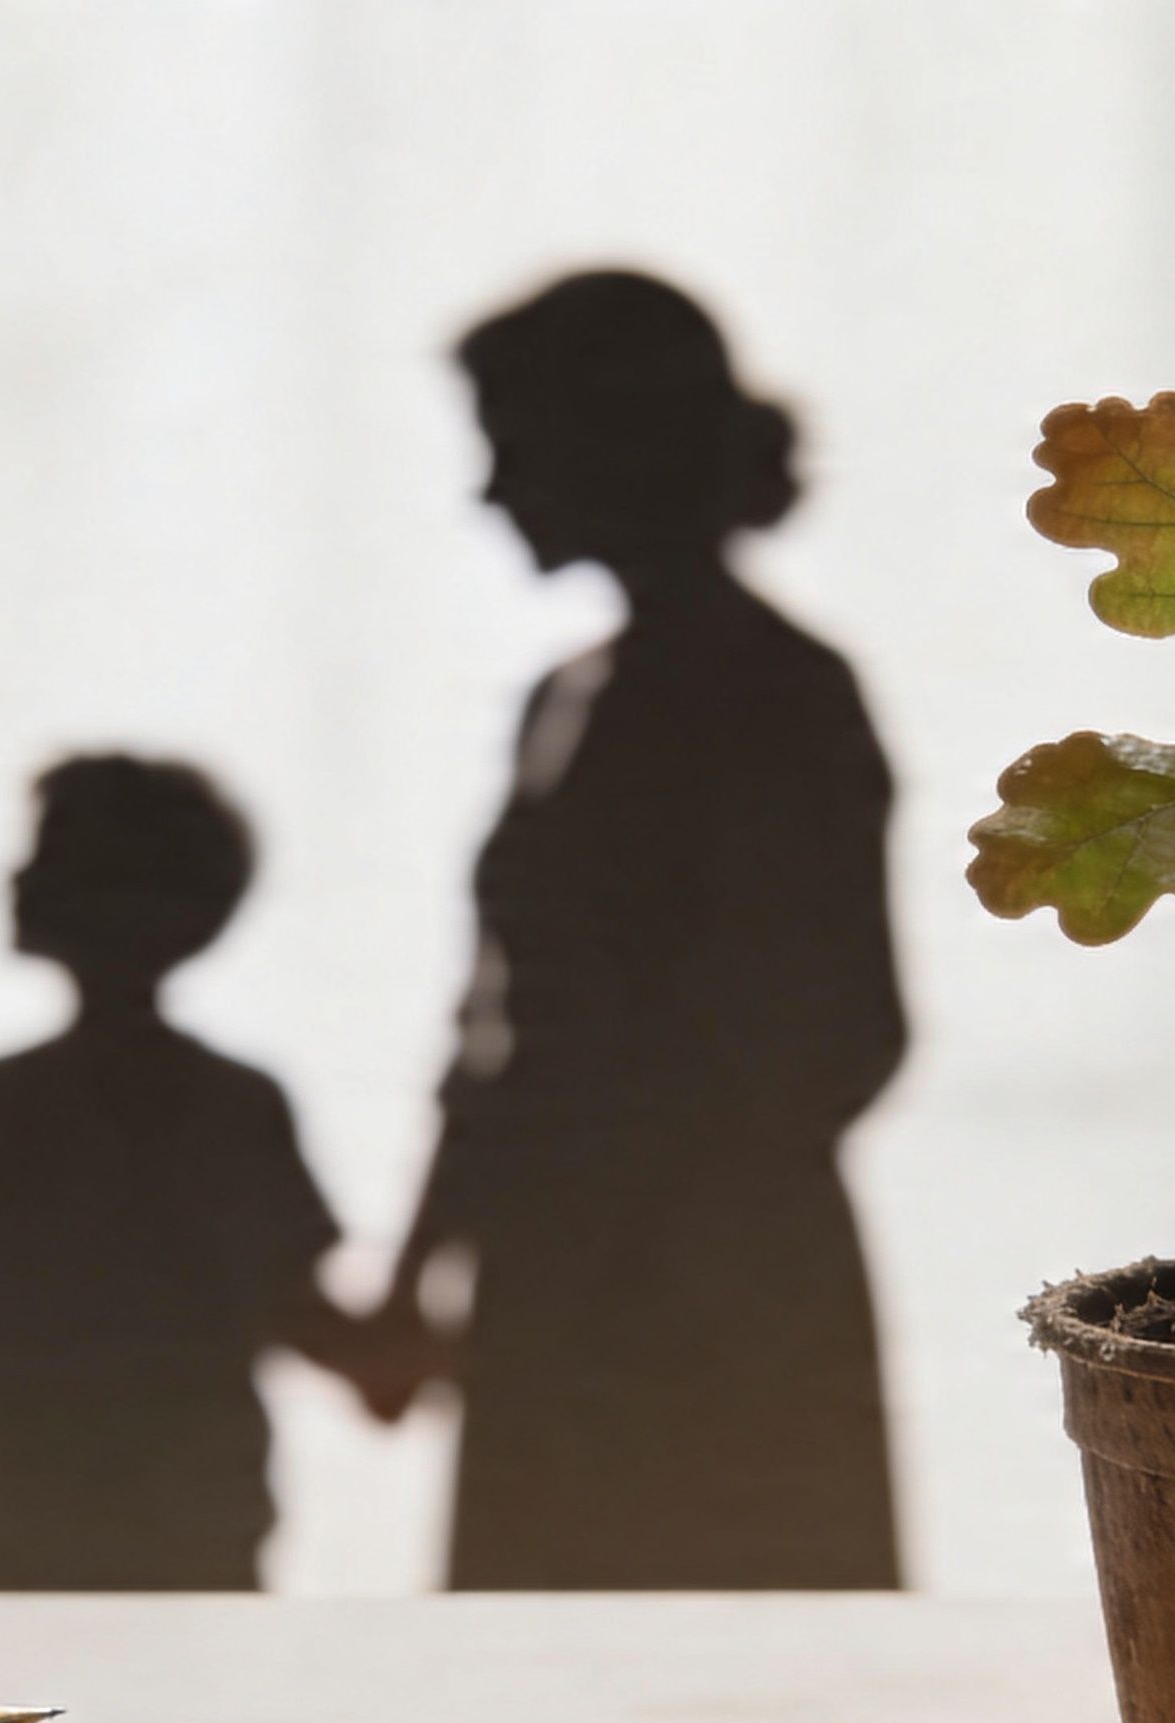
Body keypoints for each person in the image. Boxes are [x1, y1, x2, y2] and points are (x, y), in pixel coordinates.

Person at [380, 271, 909, 1590]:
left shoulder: (767, 696)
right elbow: (504, 1034)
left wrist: (455, 1263)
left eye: (509, 445)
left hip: (688, 1298)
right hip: (630, 1282)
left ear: (599, 448)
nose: (490, 491)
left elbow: (840, 1031)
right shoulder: (596, 697)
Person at [0, 756, 402, 1590]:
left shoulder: (3, 1103)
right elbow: (300, 1311)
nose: (17, 873)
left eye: (47, 854)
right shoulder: (238, 1105)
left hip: (29, 1507)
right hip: (202, 1513)